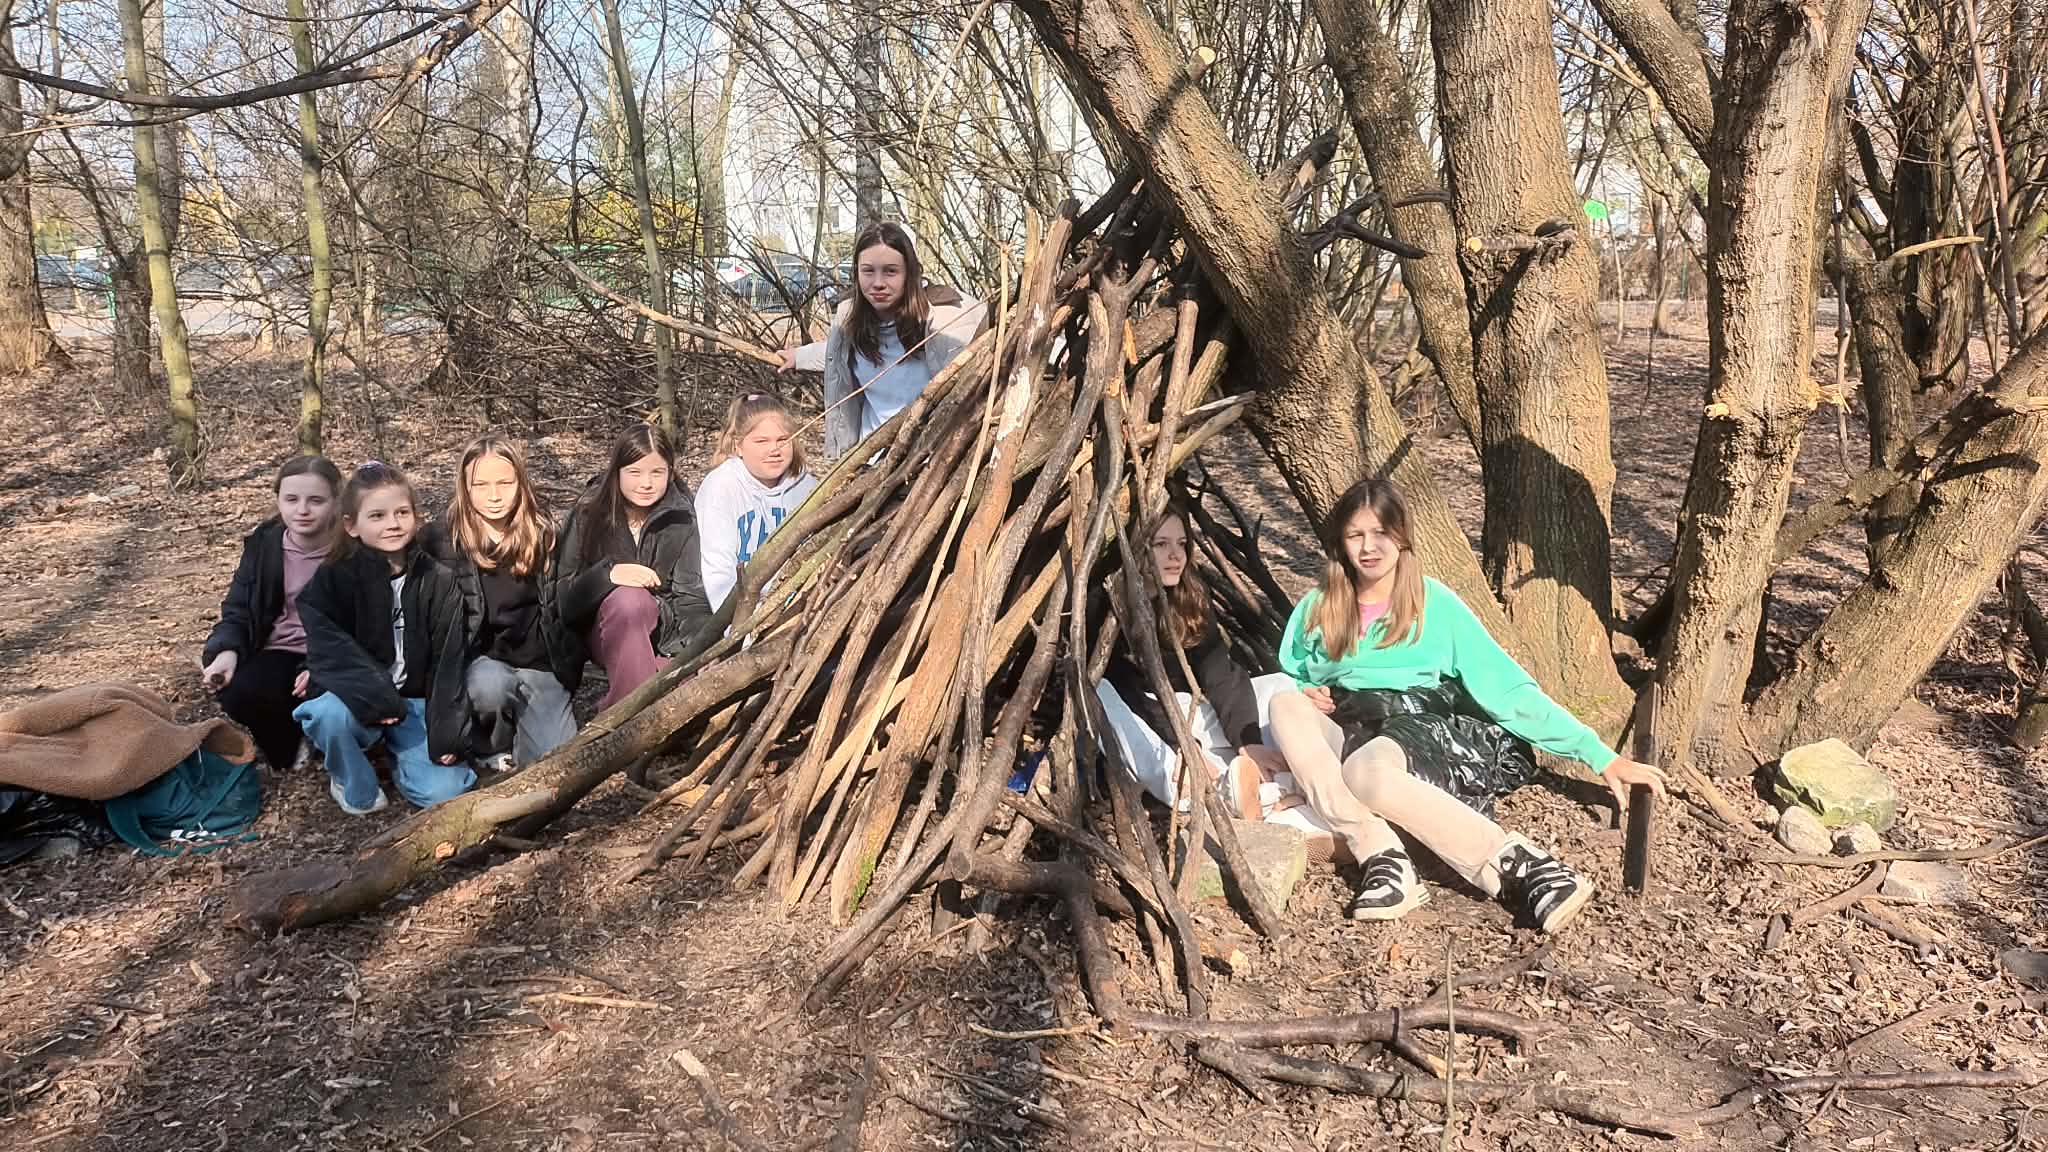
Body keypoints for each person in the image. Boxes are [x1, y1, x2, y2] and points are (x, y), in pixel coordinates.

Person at [1268, 479, 1667, 931]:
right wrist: (1305, 691)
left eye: (1380, 533)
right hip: (1352, 724)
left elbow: (1507, 691)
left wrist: (1599, 755)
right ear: (1340, 543)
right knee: (1284, 705)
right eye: (1355, 535)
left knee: (1366, 772)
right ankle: (1382, 855)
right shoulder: (1318, 607)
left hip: (1420, 728)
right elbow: (1296, 673)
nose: (1369, 547)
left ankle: (1523, 868)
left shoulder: (1435, 604)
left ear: (1401, 537)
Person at [294, 462, 476, 814]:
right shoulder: (334, 579)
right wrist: (377, 698)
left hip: (413, 702)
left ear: (416, 517)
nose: (392, 523)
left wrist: (447, 734)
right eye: (376, 515)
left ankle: (400, 760)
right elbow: (331, 650)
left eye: (401, 512)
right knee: (327, 715)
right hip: (359, 696)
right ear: (352, 525)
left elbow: (449, 662)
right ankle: (351, 778)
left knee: (447, 793)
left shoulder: (437, 579)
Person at [1094, 505, 1292, 822]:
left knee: (1282, 687)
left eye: (1182, 544)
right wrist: (1181, 744)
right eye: (1161, 544)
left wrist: (1248, 741)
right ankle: (1206, 791)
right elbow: (1127, 692)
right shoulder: (1106, 606)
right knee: (1098, 695)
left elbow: (1220, 674)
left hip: (1188, 710)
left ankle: (1259, 779)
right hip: (1145, 721)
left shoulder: (1189, 596)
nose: (1176, 555)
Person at [423, 436, 579, 772]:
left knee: (558, 762)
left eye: (505, 483)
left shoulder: (545, 533)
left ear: (520, 483)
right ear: (465, 487)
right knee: (488, 687)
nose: (494, 495)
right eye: (480, 485)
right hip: (484, 664)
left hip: (541, 666)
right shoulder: (443, 540)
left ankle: (527, 731)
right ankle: (492, 741)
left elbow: (568, 602)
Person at [201, 454, 345, 772]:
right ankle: (288, 749)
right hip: (278, 648)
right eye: (291, 499)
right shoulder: (264, 545)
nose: (302, 510)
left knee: (330, 693)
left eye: (316, 500)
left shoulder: (352, 549)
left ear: (336, 502)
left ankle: (326, 742)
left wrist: (323, 665)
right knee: (239, 690)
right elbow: (239, 608)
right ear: (278, 499)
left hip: (334, 651)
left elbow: (364, 622)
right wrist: (226, 650)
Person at [553, 425, 712, 710]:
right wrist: (608, 576)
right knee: (631, 599)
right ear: (617, 473)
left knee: (691, 681)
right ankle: (630, 721)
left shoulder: (682, 517)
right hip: (601, 633)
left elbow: (691, 598)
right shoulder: (589, 512)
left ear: (671, 473)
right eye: (635, 473)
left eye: (657, 473)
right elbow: (563, 597)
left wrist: (697, 654)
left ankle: (618, 713)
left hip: (661, 635)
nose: (646, 483)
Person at [818, 223, 976, 457]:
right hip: (869, 461)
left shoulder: (948, 317)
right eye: (868, 271)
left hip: (926, 460)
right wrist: (796, 356)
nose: (878, 282)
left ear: (909, 273)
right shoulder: (850, 319)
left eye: (891, 271)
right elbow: (834, 353)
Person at [695, 392, 819, 613]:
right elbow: (718, 570)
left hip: (797, 606)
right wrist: (739, 633)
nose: (774, 450)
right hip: (740, 613)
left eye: (783, 440)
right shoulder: (721, 487)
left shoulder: (807, 488)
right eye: (761, 441)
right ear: (738, 446)